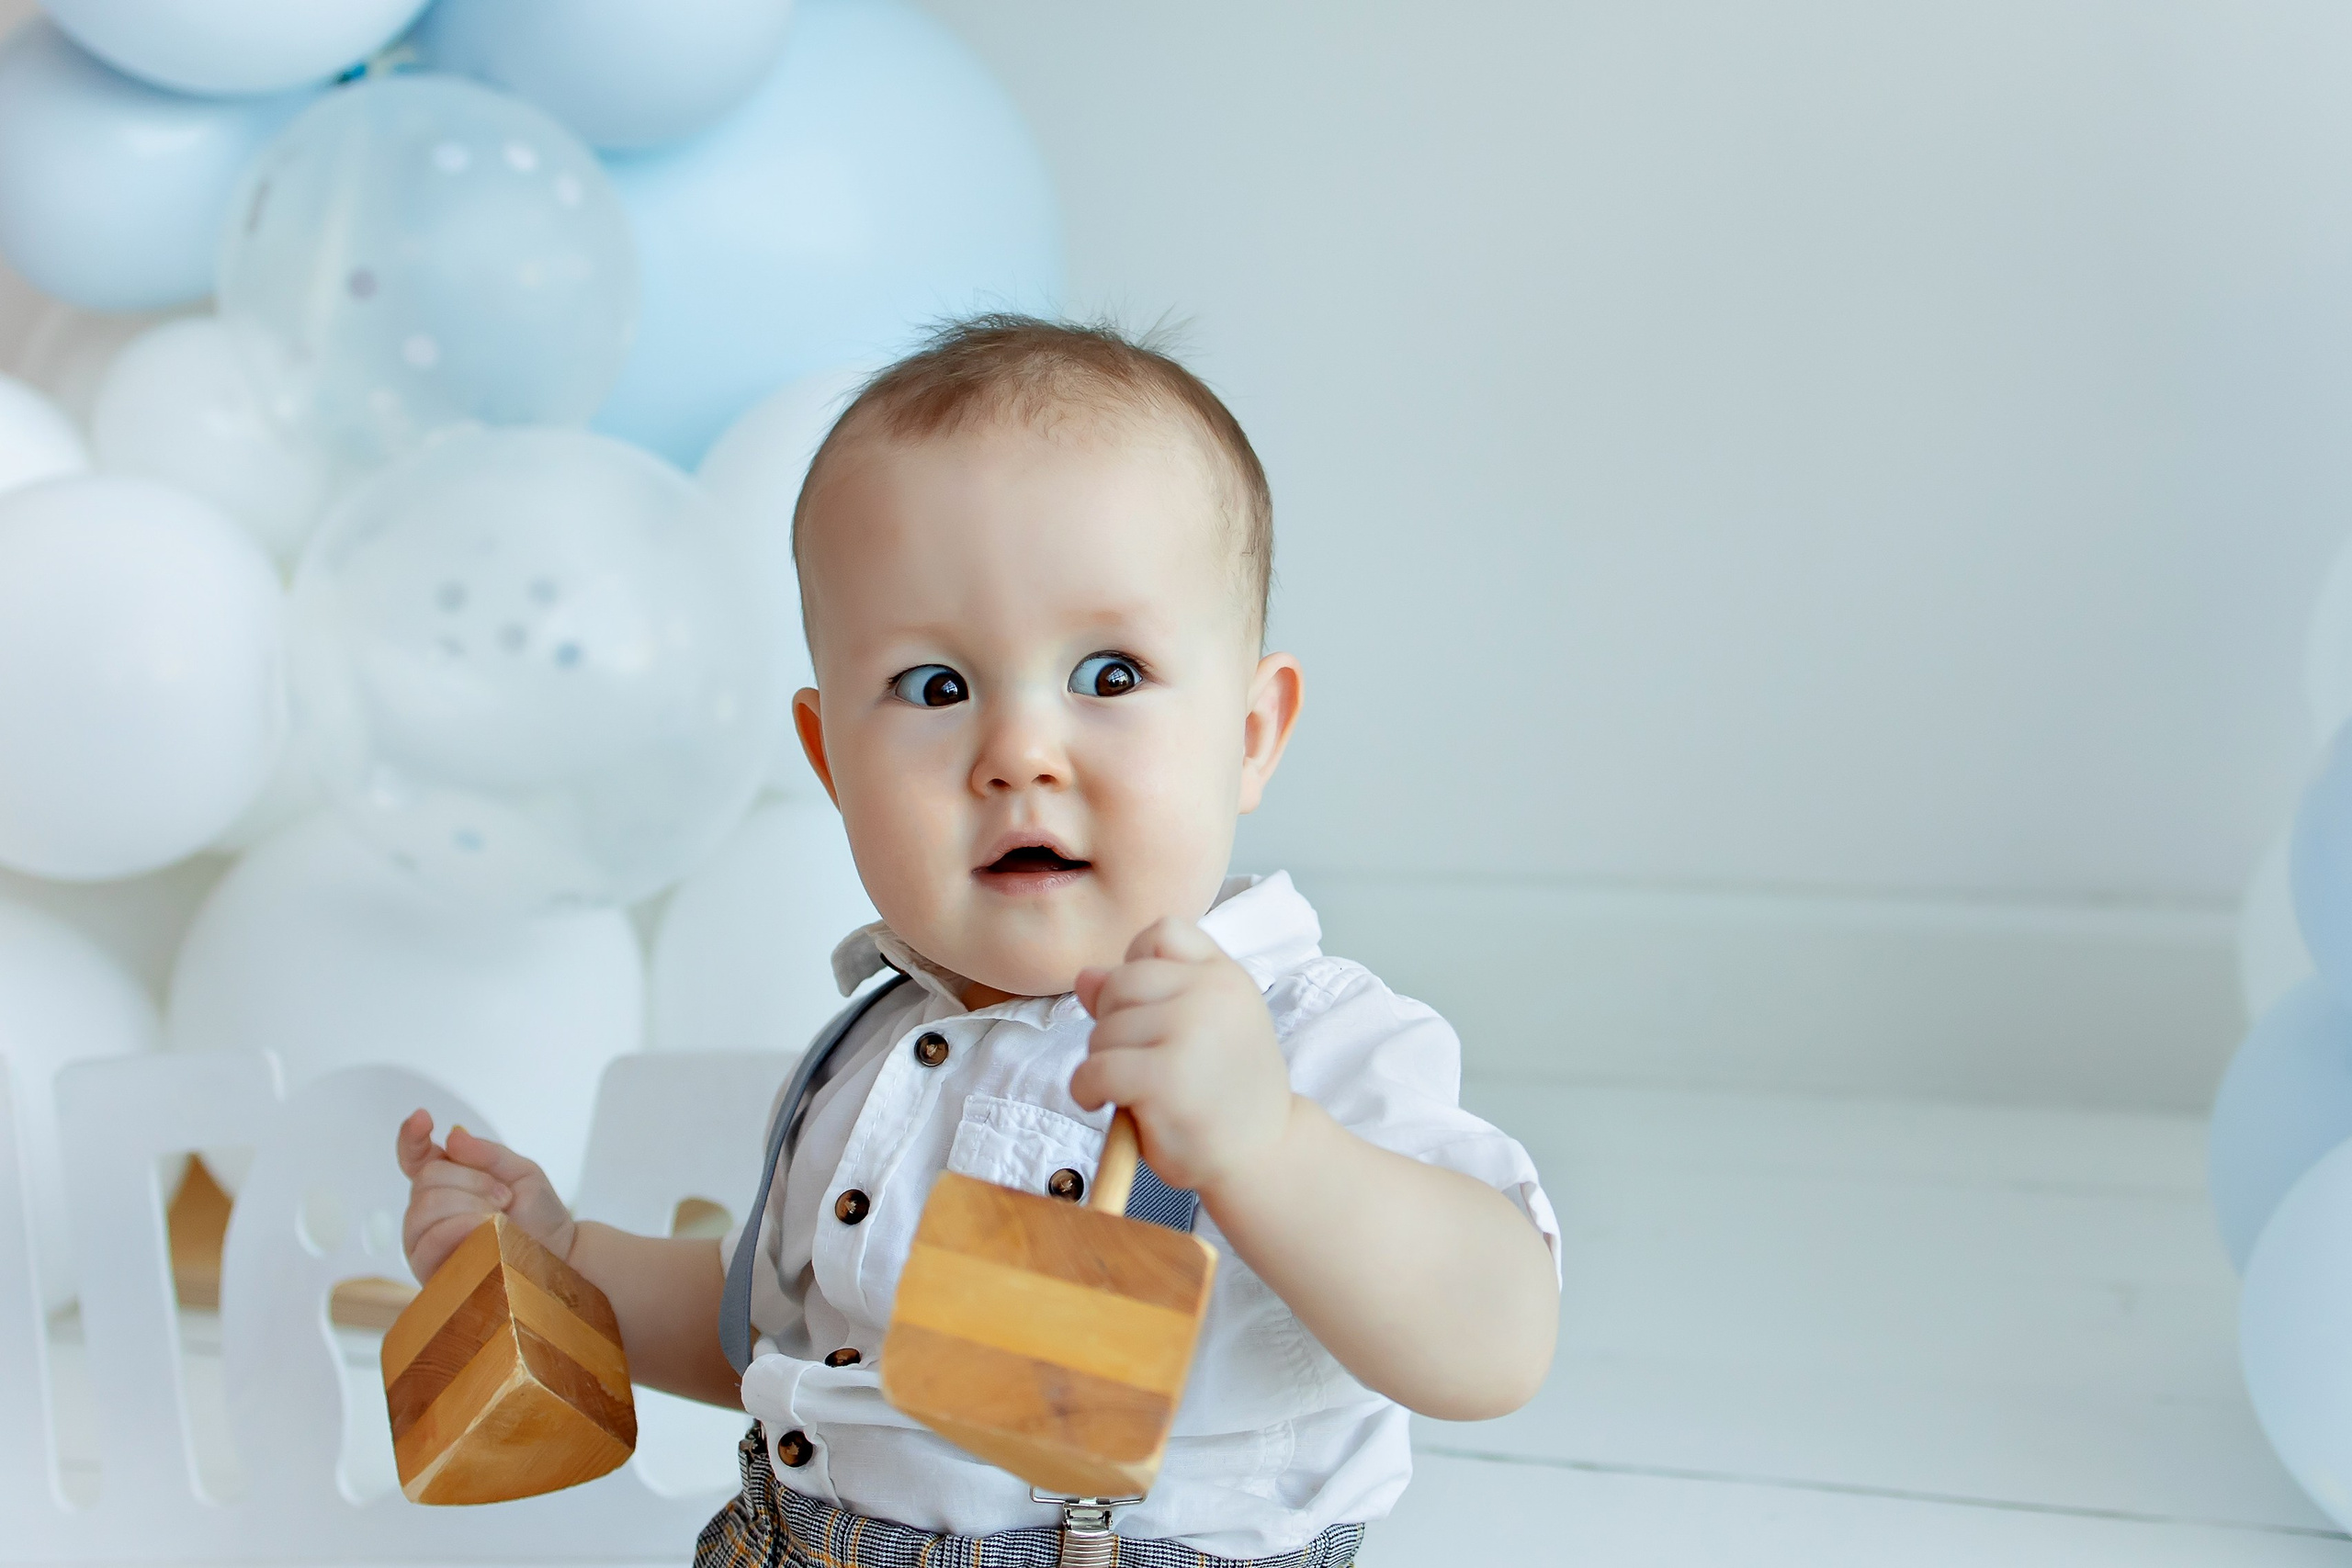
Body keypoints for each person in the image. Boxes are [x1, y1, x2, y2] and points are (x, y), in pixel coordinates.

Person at [396, 315, 1561, 1566]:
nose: (1018, 753)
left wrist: (1269, 1142)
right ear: (829, 760)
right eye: (936, 687)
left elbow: (1493, 1342)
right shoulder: (879, 1052)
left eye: (1109, 675)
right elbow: (785, 1349)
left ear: (1253, 732)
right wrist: (566, 1262)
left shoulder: (1298, 1034)